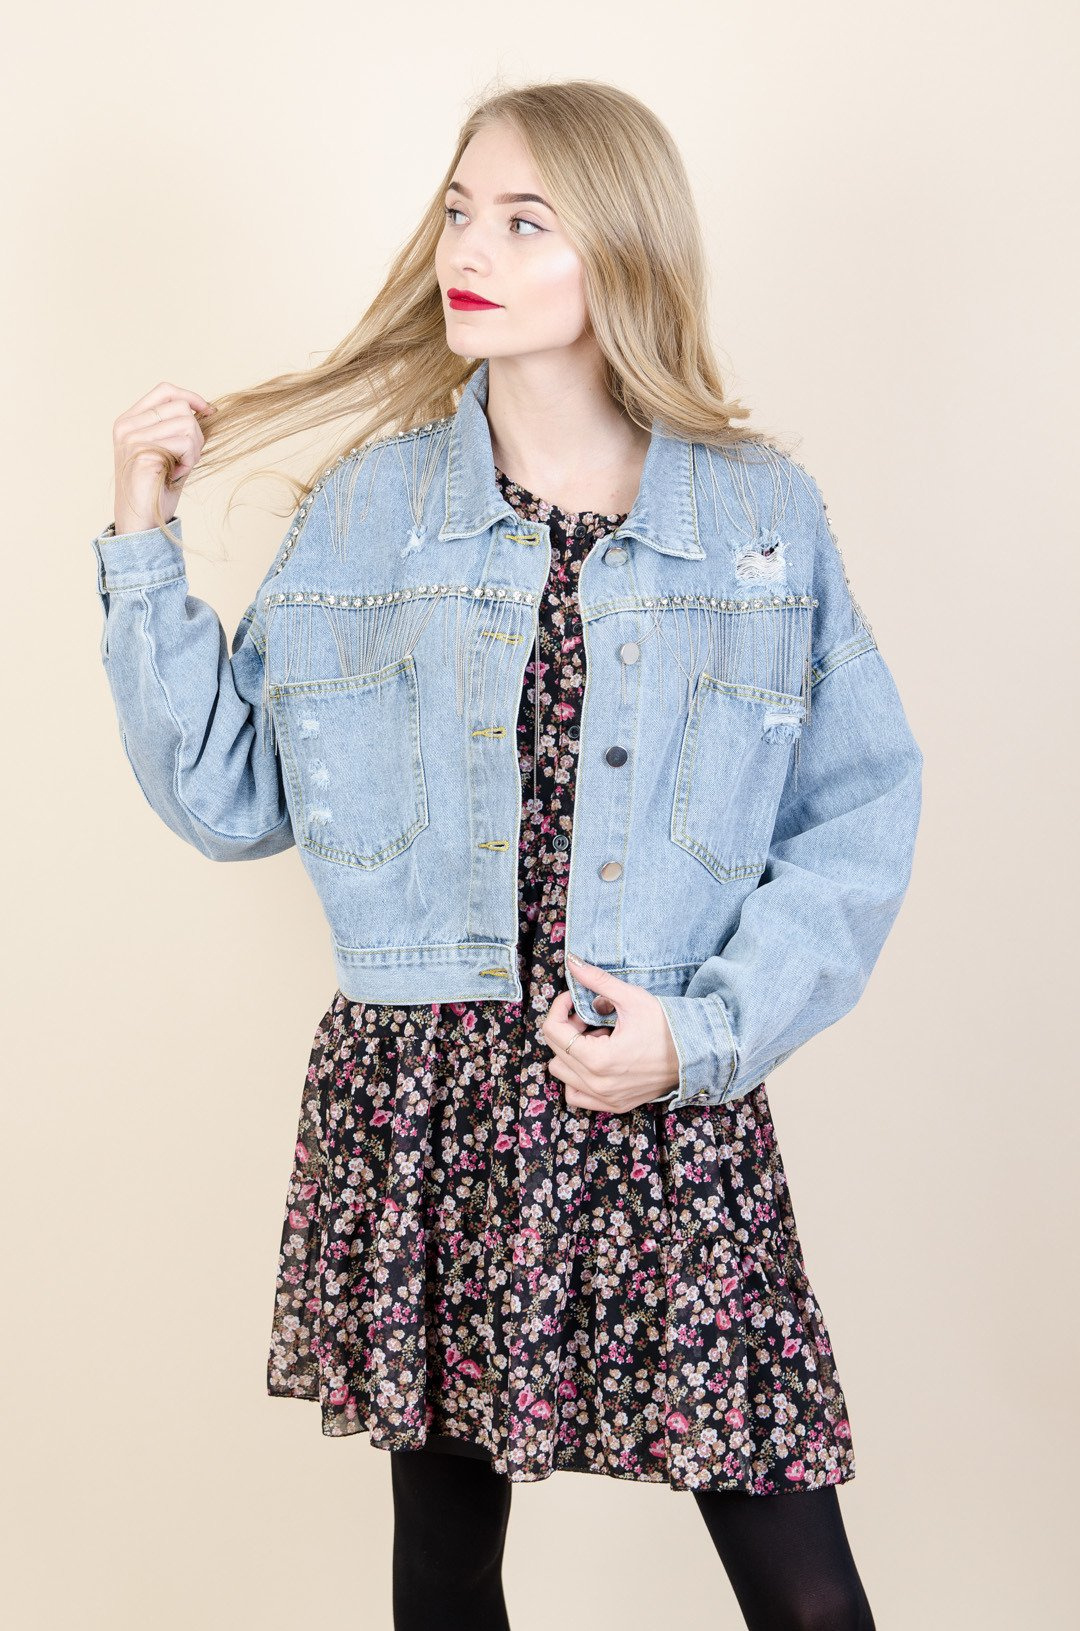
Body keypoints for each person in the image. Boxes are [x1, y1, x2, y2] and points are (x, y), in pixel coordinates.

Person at [92, 79, 920, 1631]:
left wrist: (702, 1035)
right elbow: (229, 794)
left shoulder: (759, 518)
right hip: (432, 1099)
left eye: (525, 220)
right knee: (449, 1565)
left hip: (660, 1083)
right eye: (461, 211)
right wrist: (143, 546)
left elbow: (860, 818)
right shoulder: (371, 510)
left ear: (621, 248)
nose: (470, 248)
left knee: (807, 1596)